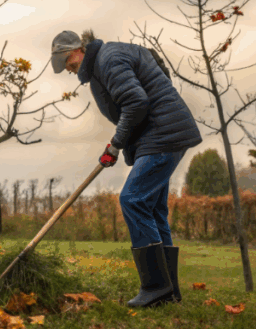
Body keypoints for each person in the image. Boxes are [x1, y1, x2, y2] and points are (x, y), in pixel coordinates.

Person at [50, 29, 202, 308]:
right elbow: (154, 76)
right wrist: (124, 142)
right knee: (154, 209)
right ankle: (168, 291)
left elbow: (135, 102)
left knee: (132, 199)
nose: (70, 69)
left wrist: (116, 145)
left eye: (68, 61)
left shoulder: (109, 59)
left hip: (163, 135)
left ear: (79, 49)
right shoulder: (108, 57)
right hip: (161, 135)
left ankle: (155, 287)